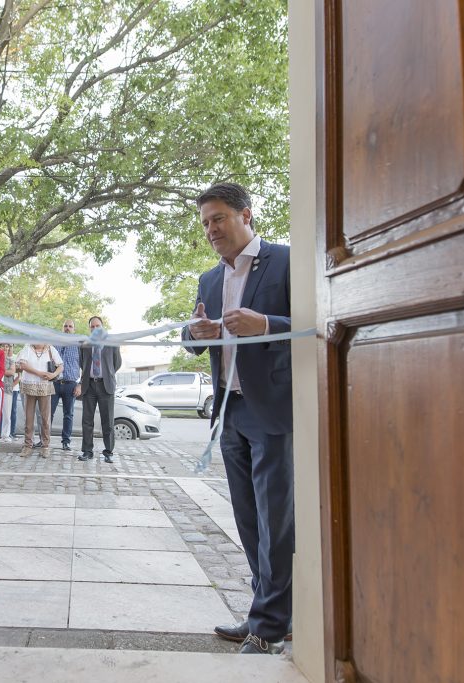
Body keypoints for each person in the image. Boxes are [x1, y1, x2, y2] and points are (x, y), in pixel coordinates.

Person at [182, 182, 293, 655]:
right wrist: (196, 332)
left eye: (218, 218)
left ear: (246, 216)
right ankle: (263, 612)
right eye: (205, 222)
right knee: (247, 519)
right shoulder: (209, 280)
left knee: (275, 522)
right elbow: (194, 343)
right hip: (230, 413)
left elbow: (316, 320)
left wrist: (265, 324)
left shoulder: (287, 261)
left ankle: (269, 628)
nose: (211, 229)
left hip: (273, 410)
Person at [76, 316, 122, 463]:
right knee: (87, 421)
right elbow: (82, 362)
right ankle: (87, 451)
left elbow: (116, 363)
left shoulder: (112, 343)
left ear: (102, 327)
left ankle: (108, 452)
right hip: (89, 385)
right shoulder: (84, 344)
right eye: (92, 327)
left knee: (107, 421)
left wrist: (106, 374)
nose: (95, 329)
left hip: (106, 385)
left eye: (97, 326)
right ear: (89, 328)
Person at [14, 342, 62, 457]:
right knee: (28, 418)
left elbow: (61, 365)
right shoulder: (27, 347)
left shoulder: (51, 348)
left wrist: (53, 374)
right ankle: (27, 446)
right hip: (29, 386)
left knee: (45, 418)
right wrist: (40, 373)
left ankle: (45, 446)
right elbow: (23, 365)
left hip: (45, 387)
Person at [51, 320, 81, 451]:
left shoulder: (79, 345)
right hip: (54, 383)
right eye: (65, 326)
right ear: (62, 328)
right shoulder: (54, 344)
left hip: (71, 385)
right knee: (48, 413)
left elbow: (85, 366)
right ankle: (44, 439)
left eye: (70, 326)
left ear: (74, 329)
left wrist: (80, 385)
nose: (67, 328)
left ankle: (66, 441)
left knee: (68, 414)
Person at [0, 343, 16, 440]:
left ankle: (5, 435)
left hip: (7, 389)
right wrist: (5, 371)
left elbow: (12, 372)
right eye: (3, 346)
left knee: (7, 413)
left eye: (7, 346)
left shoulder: (11, 360)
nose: (5, 348)